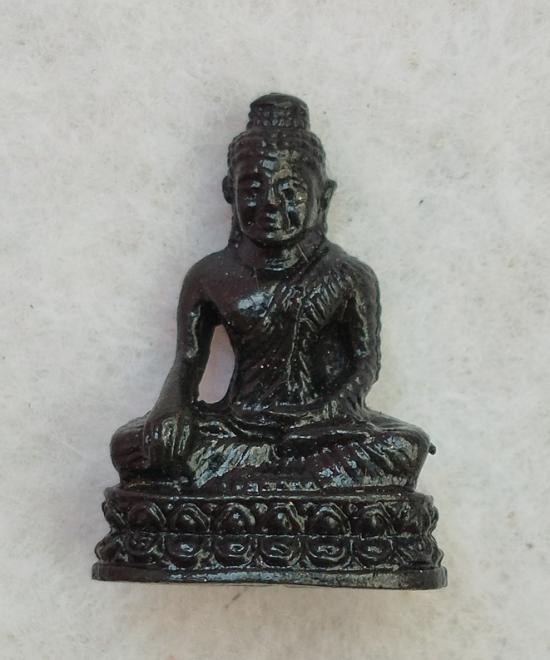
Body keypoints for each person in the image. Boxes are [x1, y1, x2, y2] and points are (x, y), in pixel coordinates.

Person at [110, 94, 433, 494]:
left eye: (290, 190)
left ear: (324, 196)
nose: (271, 204)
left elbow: (365, 365)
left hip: (319, 429)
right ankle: (292, 488)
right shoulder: (209, 275)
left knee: (404, 446)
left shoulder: (348, 275)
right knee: (131, 445)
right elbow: (188, 361)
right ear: (229, 192)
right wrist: (169, 412)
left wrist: (320, 416)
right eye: (253, 189)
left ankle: (245, 486)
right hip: (237, 423)